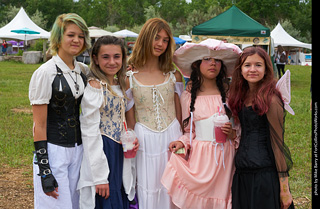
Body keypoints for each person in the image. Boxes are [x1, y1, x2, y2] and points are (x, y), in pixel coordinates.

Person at [161, 39, 242, 209]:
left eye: (217, 60)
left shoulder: (230, 94)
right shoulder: (189, 96)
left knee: (222, 197)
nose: (213, 63)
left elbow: (241, 126)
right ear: (196, 65)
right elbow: (189, 131)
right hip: (201, 159)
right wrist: (182, 142)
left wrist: (233, 134)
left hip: (225, 158)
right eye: (206, 59)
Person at [29, 13, 91, 209]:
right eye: (71, 35)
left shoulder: (82, 70)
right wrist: (45, 169)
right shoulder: (44, 73)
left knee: (75, 205)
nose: (76, 40)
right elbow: (39, 124)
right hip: (54, 151)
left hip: (79, 150)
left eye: (81, 36)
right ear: (58, 37)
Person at [126, 17, 184, 209]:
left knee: (173, 188)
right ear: (145, 38)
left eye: (165, 40)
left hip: (172, 137)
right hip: (145, 140)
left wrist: (184, 140)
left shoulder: (173, 75)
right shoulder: (129, 78)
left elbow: (180, 111)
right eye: (156, 38)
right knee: (149, 189)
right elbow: (130, 118)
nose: (160, 44)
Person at [228, 46, 294, 209]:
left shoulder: (271, 99)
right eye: (247, 65)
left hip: (264, 175)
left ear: (266, 69)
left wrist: (284, 189)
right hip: (242, 173)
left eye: (258, 65)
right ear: (240, 69)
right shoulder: (241, 96)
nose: (252, 69)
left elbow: (278, 145)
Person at [77, 35, 139, 209]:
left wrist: (131, 138)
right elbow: (90, 131)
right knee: (107, 198)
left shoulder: (121, 84)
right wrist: (99, 176)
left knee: (121, 193)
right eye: (106, 57)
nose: (112, 62)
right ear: (95, 59)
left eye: (117, 57)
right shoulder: (95, 87)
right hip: (103, 150)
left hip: (120, 150)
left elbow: (124, 118)